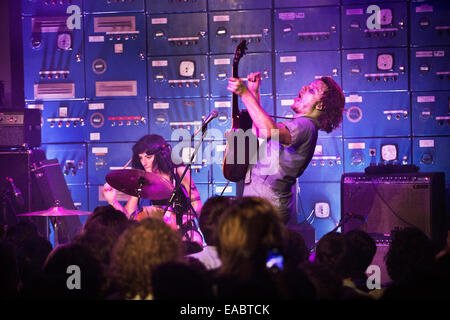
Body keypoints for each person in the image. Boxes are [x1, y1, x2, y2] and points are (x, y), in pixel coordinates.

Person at [227, 73, 345, 223]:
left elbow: (268, 131)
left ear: (320, 105)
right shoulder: (304, 125)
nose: (304, 87)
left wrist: (244, 93)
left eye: (312, 90)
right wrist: (254, 92)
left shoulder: (306, 125)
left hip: (267, 205)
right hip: (263, 200)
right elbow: (260, 132)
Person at [103, 134, 203, 231]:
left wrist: (177, 220)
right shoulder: (142, 179)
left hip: (184, 229)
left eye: (148, 157)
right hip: (161, 231)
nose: (144, 163)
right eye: (141, 157)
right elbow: (129, 215)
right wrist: (113, 201)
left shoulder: (180, 172)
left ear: (160, 156)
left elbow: (197, 206)